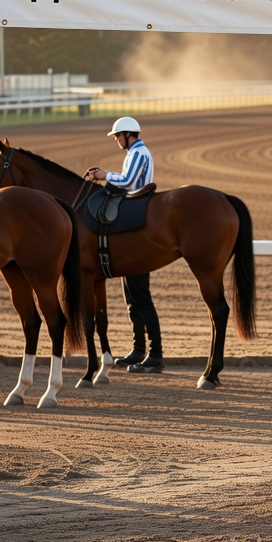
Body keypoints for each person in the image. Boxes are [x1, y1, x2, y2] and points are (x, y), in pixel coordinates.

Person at [86, 116, 161, 374]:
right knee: (132, 299)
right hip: (132, 207)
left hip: (137, 213)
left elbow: (128, 181)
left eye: (118, 136)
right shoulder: (134, 152)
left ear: (129, 134)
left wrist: (103, 174)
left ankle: (156, 353)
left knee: (141, 297)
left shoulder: (140, 152)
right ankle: (139, 349)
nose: (116, 140)